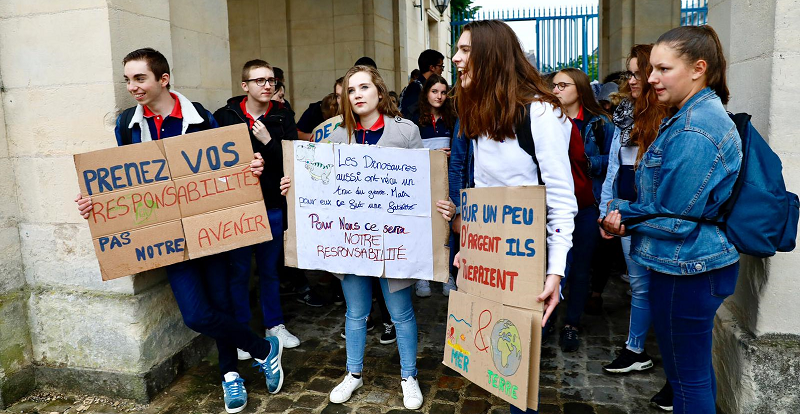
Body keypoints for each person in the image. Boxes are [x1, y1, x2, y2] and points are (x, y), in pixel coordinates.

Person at [74, 48, 284, 414]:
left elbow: (228, 160)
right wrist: (96, 204)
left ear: (163, 79)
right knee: (197, 315)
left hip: (211, 230)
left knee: (219, 303)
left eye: (139, 78)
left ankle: (229, 375)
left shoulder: (199, 116)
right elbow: (123, 182)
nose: (132, 87)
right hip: (168, 237)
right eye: (127, 80)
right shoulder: (126, 124)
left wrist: (250, 166)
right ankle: (264, 349)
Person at [280, 65, 455, 410]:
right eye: (350, 90)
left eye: (363, 87)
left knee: (401, 312)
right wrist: (295, 187)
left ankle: (409, 376)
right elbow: (321, 184)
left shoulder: (405, 132)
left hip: (394, 242)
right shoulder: (335, 136)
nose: (357, 94)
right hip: (352, 244)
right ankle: (353, 374)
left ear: (379, 91)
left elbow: (424, 181)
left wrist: (444, 205)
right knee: (355, 312)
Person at [600, 25, 741, 414]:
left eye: (662, 69)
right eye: (651, 69)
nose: (650, 78)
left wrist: (623, 218)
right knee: (688, 375)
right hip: (681, 264)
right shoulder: (686, 116)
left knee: (687, 381)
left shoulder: (697, 128)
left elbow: (676, 219)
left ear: (698, 68)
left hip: (688, 268)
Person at [450, 20, 577, 414]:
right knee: (494, 356)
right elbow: (483, 194)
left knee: (520, 364)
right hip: (492, 253)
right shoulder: (477, 110)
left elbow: (560, 198)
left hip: (531, 257)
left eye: (466, 50)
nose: (455, 58)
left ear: (492, 55)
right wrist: (469, 249)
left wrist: (555, 272)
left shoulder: (539, 113)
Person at [598, 43, 674, 410]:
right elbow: (615, 167)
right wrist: (606, 209)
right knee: (640, 285)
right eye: (628, 72)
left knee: (665, 289)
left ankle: (676, 373)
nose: (630, 79)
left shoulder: (670, 115)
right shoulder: (624, 112)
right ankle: (635, 350)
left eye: (636, 72)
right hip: (625, 211)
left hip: (654, 212)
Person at [213, 59, 302, 358]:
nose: (268, 86)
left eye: (271, 81)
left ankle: (274, 325)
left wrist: (268, 141)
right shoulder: (225, 116)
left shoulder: (283, 117)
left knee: (269, 270)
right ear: (245, 85)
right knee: (238, 271)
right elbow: (212, 163)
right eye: (260, 80)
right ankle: (241, 332)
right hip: (237, 208)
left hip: (273, 204)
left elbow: (293, 163)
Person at [551, 67, 619, 352]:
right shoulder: (546, 120)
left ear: (579, 89)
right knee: (552, 267)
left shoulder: (600, 122)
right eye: (553, 86)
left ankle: (571, 324)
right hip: (553, 205)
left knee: (580, 267)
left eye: (562, 86)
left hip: (586, 204)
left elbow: (612, 159)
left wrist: (587, 163)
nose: (555, 91)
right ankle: (546, 320)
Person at [409, 74, 459, 297]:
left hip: (446, 181)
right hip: (420, 182)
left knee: (445, 230)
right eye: (434, 91)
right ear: (426, 93)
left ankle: (445, 274)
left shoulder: (453, 119)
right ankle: (422, 275)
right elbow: (406, 154)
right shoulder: (413, 119)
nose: (439, 96)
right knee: (422, 228)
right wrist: (432, 155)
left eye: (443, 92)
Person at [400, 49, 445, 118]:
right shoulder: (415, 87)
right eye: (441, 66)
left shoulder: (424, 85)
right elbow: (409, 114)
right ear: (432, 68)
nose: (442, 70)